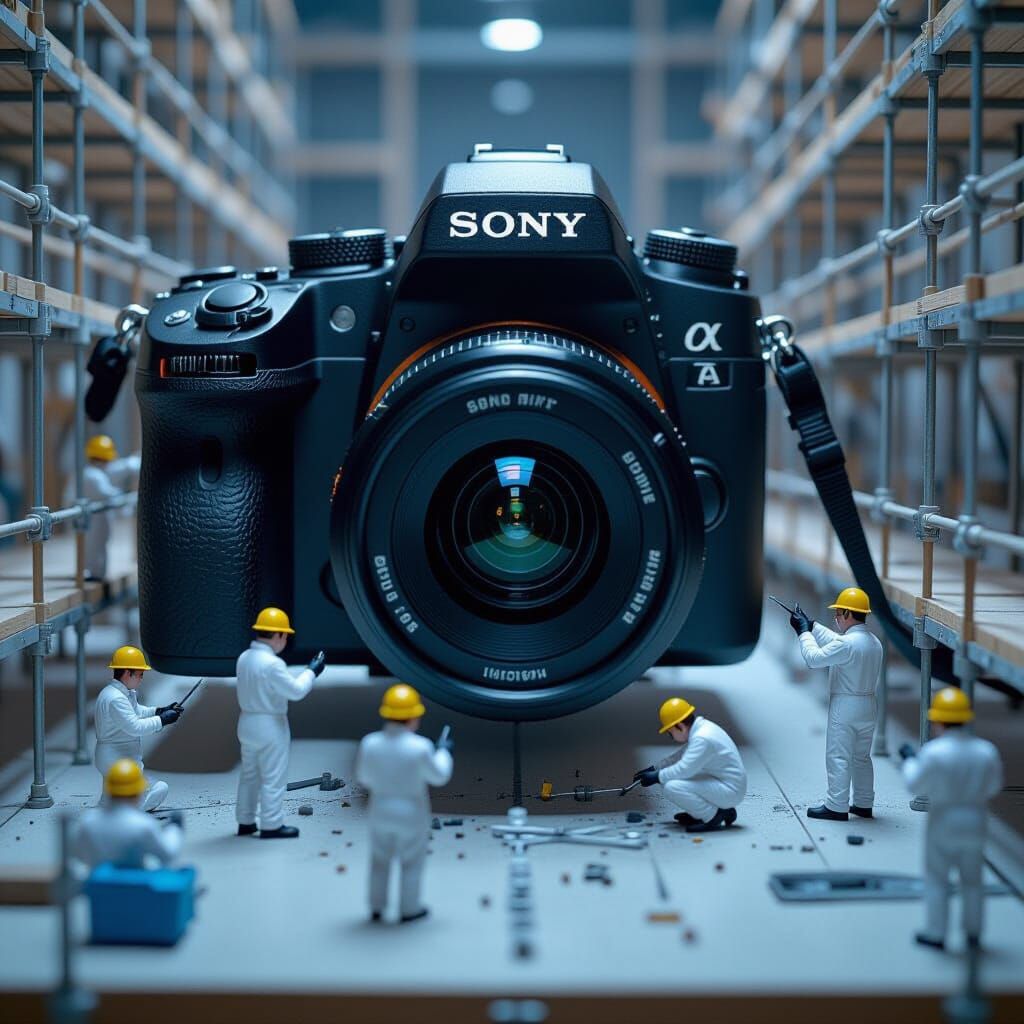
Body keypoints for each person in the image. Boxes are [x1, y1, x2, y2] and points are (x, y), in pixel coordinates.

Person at [901, 688, 1003, 952]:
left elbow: (914, 784)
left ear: (938, 721)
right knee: (973, 880)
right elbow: (994, 786)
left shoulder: (934, 752)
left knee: (937, 878)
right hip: (975, 817)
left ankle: (937, 933)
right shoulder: (986, 751)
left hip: (944, 817)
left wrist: (910, 761)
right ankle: (973, 933)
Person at [355, 684, 453, 922]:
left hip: (380, 808)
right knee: (411, 861)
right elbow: (439, 776)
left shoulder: (370, 743)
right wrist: (444, 753)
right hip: (410, 811)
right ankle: (409, 909)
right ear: (412, 717)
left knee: (379, 860)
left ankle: (376, 906)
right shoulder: (421, 747)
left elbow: (363, 777)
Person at [791, 586, 883, 821]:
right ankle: (863, 802)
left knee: (838, 756)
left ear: (847, 614)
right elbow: (839, 643)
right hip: (869, 706)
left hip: (846, 705)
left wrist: (803, 633)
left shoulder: (847, 644)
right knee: (861, 757)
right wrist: (813, 626)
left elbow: (814, 659)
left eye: (838, 614)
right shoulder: (873, 642)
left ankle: (836, 805)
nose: (835, 618)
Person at [235, 607, 325, 839]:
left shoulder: (244, 658)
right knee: (273, 777)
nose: (285, 640)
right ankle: (271, 824)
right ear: (278, 635)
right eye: (285, 635)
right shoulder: (272, 664)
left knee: (249, 775)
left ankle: (245, 820)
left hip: (246, 722)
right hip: (269, 724)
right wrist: (312, 671)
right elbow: (295, 691)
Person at [634, 696, 747, 833]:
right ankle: (708, 812)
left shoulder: (702, 738)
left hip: (730, 790)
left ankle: (712, 816)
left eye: (671, 733)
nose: (671, 737)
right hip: (726, 784)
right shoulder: (702, 729)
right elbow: (679, 757)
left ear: (680, 726)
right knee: (671, 779)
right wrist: (655, 769)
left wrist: (657, 776)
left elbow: (684, 769)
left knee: (672, 786)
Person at [94, 646, 180, 812]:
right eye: (140, 674)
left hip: (116, 754)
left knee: (110, 797)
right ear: (128, 673)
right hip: (116, 756)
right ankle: (130, 813)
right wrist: (162, 720)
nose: (141, 679)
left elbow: (137, 711)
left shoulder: (122, 693)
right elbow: (135, 726)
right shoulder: (115, 699)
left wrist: (158, 710)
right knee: (159, 788)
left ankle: (108, 810)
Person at [74, 759, 183, 870]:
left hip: (98, 884)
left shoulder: (88, 821)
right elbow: (167, 854)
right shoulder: (143, 824)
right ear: (138, 792)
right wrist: (174, 829)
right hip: (133, 883)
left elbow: (79, 857)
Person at [82, 434, 139, 581]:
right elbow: (107, 493)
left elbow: (123, 467)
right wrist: (124, 496)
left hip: (97, 516)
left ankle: (97, 572)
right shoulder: (93, 476)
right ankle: (95, 573)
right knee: (95, 545)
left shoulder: (96, 472)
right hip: (94, 517)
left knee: (98, 544)